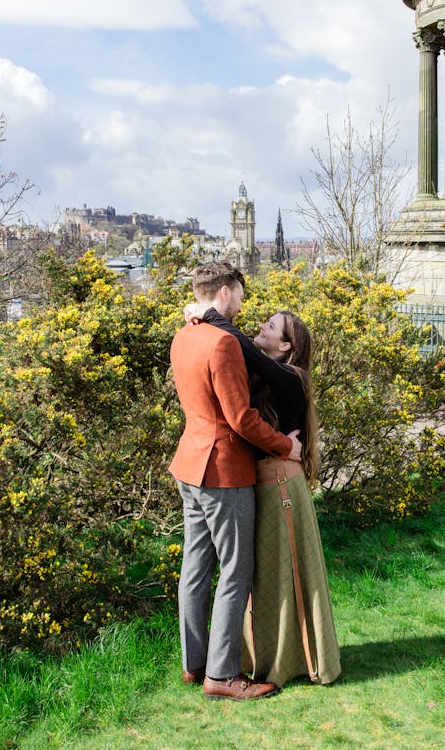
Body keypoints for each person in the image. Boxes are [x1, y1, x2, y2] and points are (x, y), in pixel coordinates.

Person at [185, 301, 341, 687]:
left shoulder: (294, 377)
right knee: (261, 574)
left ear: (286, 346)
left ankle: (292, 658)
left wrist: (209, 313)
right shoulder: (264, 376)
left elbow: (249, 352)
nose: (262, 327)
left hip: (281, 485)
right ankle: (248, 659)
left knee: (279, 574)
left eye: (271, 326)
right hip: (259, 480)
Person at [169, 262, 302, 701]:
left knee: (195, 567)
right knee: (236, 570)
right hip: (223, 472)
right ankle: (222, 674)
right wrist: (286, 445)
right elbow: (240, 419)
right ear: (224, 293)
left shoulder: (183, 335)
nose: (243, 305)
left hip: (189, 465)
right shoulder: (223, 343)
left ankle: (195, 663)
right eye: (240, 296)